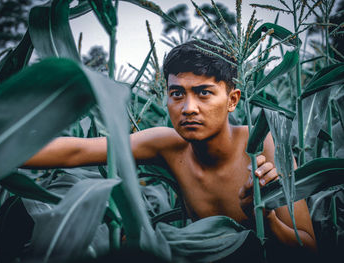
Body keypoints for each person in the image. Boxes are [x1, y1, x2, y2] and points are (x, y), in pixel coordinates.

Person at [23, 40, 317, 256]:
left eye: (204, 93)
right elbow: (77, 150)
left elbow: (310, 248)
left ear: (233, 100)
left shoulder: (263, 143)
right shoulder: (167, 145)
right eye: (177, 94)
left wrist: (264, 219)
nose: (189, 108)